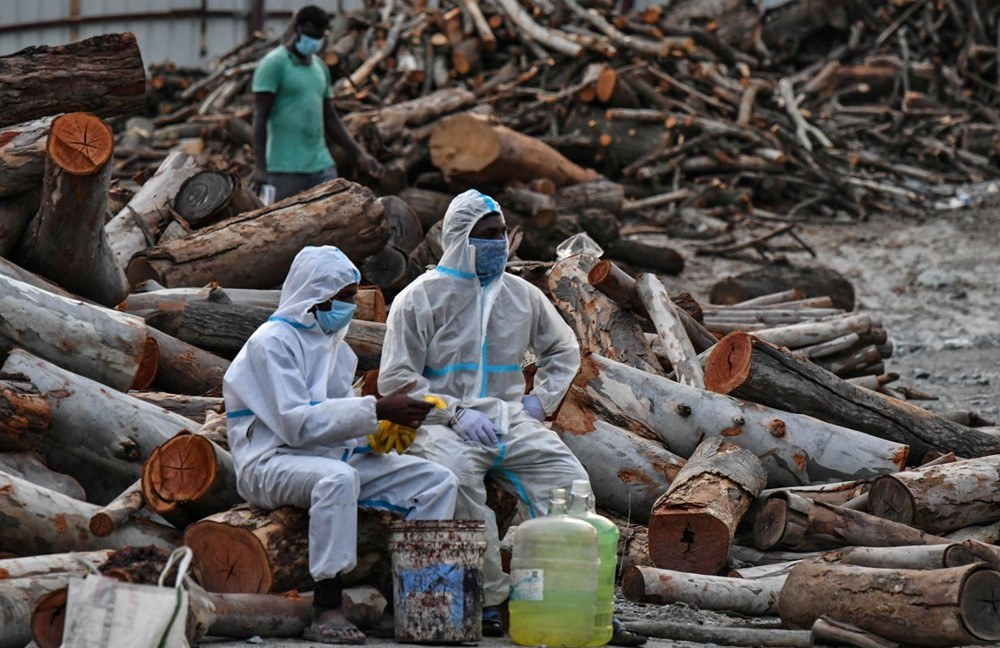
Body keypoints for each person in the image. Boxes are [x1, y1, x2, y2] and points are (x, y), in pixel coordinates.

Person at [378, 190, 602, 637]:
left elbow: (563, 348)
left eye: (501, 233)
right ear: (461, 239)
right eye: (487, 235)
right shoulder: (419, 299)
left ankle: (571, 597)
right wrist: (453, 412)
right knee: (457, 484)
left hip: (507, 418)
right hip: (442, 423)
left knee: (569, 481)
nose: (499, 243)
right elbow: (396, 380)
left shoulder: (521, 295)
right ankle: (492, 597)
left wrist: (539, 402)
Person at [224, 246, 458, 644]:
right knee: (337, 479)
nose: (352, 304)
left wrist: (378, 433)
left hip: (326, 457)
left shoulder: (334, 345)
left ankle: (413, 603)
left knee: (437, 481)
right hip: (269, 463)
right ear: (318, 294)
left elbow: (335, 420)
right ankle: (326, 606)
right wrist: (377, 408)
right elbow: (296, 424)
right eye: (346, 296)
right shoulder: (273, 343)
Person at [251, 5, 383, 201]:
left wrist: (359, 154)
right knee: (283, 227)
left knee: (332, 221)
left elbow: (330, 118)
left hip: (321, 166)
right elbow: (260, 118)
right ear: (296, 29)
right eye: (309, 35)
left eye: (318, 37)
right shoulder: (273, 65)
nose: (313, 41)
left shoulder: (320, 68)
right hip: (284, 169)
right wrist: (261, 167)